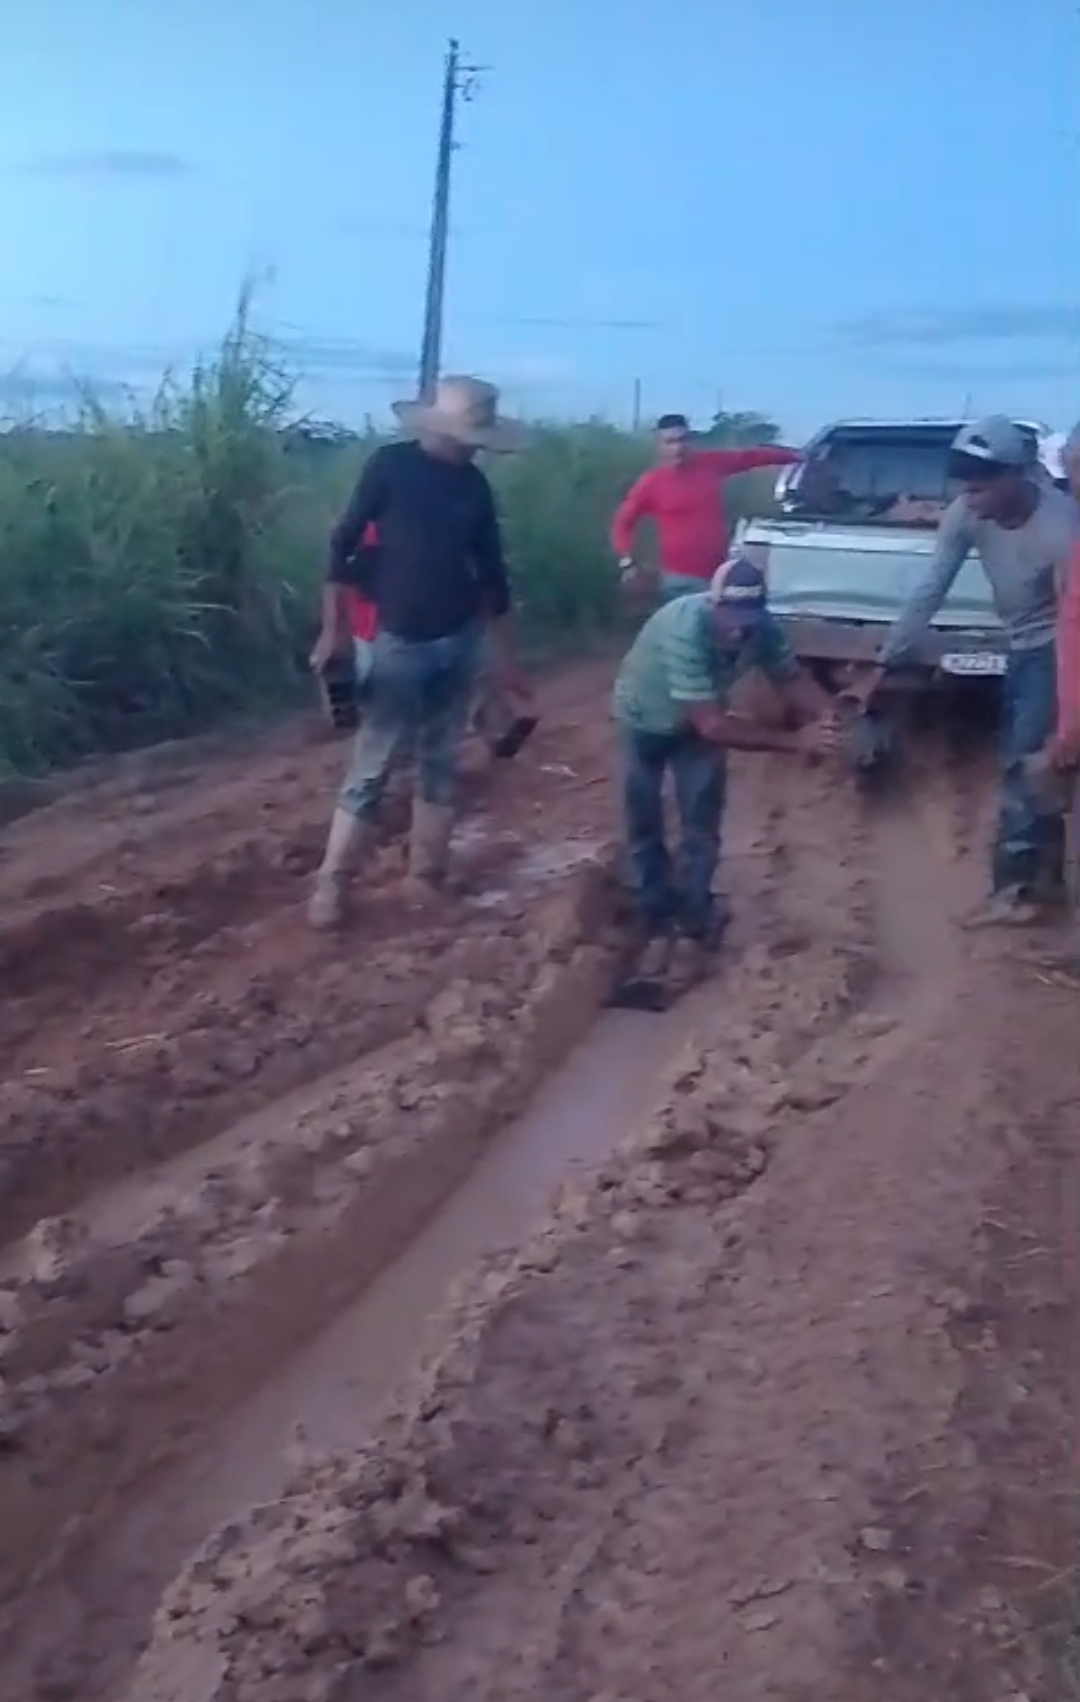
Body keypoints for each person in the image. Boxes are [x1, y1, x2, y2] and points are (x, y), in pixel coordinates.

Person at [308, 375, 531, 929]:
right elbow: (342, 545)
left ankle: (425, 875)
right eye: (470, 433)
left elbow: (493, 576)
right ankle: (333, 883)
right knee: (374, 764)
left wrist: (506, 660)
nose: (475, 444)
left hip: (458, 639)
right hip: (397, 641)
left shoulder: (475, 488)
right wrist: (333, 630)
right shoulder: (390, 467)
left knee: (441, 761)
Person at [846, 416, 1079, 926]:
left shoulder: (1063, 530)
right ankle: (1049, 883)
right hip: (1019, 644)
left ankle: (1016, 889)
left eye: (981, 485)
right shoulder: (966, 514)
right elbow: (930, 590)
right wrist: (884, 664)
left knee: (1024, 763)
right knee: (1038, 764)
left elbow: (1073, 622)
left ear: (1019, 475)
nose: (970, 496)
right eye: (964, 486)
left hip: (1053, 649)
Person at [612, 554, 841, 978]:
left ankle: (694, 924)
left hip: (699, 723)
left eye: (749, 617)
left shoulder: (764, 629)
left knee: (701, 824)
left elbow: (791, 680)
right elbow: (713, 726)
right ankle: (654, 917)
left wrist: (830, 719)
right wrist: (794, 741)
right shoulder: (687, 627)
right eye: (731, 616)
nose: (739, 628)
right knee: (644, 823)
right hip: (646, 717)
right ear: (712, 604)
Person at [610, 412, 802, 602]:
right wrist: (627, 561)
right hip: (678, 580)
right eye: (670, 442)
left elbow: (751, 457)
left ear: (691, 440)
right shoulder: (651, 483)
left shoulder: (711, 463)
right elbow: (622, 523)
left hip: (718, 575)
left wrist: (796, 456)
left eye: (682, 440)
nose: (678, 447)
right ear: (659, 446)